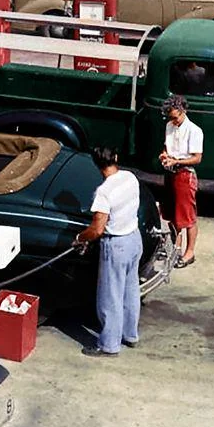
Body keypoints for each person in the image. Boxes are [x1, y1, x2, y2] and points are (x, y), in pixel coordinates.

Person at [73, 146, 143, 357]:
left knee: (110, 297)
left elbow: (97, 229)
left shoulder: (103, 193)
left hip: (117, 246)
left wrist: (79, 238)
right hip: (134, 239)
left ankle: (109, 345)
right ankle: (130, 335)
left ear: (96, 164)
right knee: (131, 291)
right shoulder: (130, 177)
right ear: (116, 158)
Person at [159, 95, 203, 268]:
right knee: (171, 214)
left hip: (184, 174)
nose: (173, 121)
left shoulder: (194, 131)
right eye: (170, 117)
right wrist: (164, 155)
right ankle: (176, 248)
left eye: (175, 117)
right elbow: (166, 146)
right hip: (170, 174)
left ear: (183, 111)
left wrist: (176, 161)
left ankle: (189, 252)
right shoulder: (169, 126)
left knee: (187, 217)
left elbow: (197, 158)